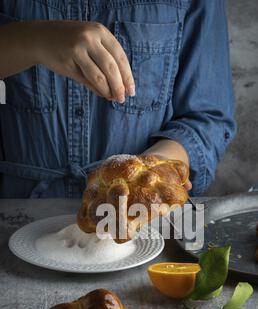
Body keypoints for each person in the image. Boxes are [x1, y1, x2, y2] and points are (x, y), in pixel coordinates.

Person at [0, 0, 236, 199]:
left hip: (142, 226)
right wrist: (31, 40)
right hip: (15, 214)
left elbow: (208, 118)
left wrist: (151, 172)